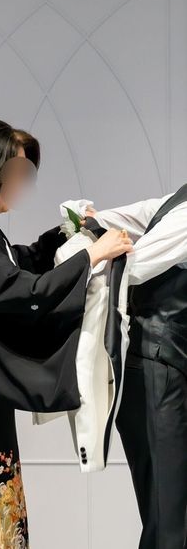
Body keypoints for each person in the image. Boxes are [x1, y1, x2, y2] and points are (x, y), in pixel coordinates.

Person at [0, 117, 133, 548]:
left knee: (2, 502)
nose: (21, 184)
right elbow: (23, 290)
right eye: (16, 172)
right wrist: (92, 255)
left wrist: (68, 233)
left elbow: (21, 261)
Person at [85, 185, 187, 549]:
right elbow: (135, 265)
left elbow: (105, 218)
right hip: (159, 366)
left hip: (158, 365)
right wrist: (95, 234)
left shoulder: (173, 203)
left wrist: (92, 221)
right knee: (169, 520)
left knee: (169, 516)